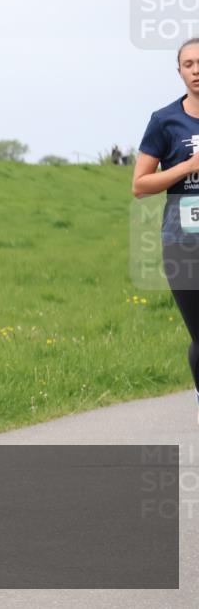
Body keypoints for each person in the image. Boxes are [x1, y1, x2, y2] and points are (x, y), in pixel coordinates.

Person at [133, 37, 199, 425]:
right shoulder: (164, 120)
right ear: (180, 72)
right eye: (189, 63)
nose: (197, 69)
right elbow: (140, 186)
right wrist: (187, 168)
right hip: (183, 242)